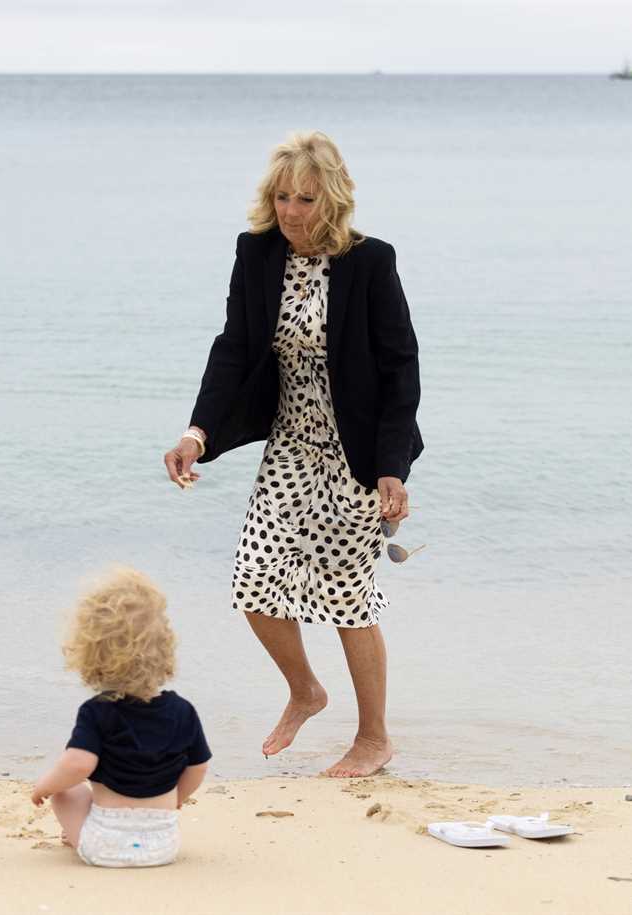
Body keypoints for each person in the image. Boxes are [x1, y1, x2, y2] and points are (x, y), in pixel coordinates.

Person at [162, 131, 422, 777]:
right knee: (254, 579)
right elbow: (233, 348)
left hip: (354, 454)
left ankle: (373, 738)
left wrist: (392, 465)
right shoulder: (256, 255)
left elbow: (400, 368)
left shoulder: (370, 262)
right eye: (282, 196)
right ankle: (305, 690)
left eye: (305, 198)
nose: (291, 210)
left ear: (330, 199)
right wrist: (198, 432)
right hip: (289, 447)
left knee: (346, 595)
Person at [31, 568, 211, 868]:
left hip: (103, 845)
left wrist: (44, 787)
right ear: (165, 648)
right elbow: (199, 766)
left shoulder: (97, 711)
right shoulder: (183, 711)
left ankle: (75, 832)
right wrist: (177, 796)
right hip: (162, 845)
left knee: (66, 792)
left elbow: (78, 764)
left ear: (90, 652)